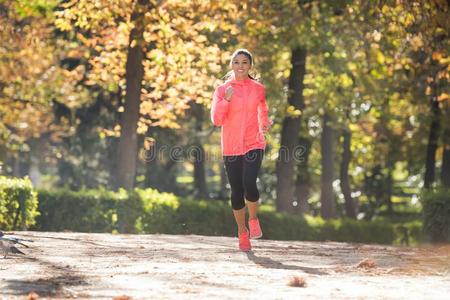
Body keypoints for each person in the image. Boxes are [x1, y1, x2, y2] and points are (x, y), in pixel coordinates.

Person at [210, 48, 272, 252]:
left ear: (250, 65)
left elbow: (262, 108)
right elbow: (217, 120)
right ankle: (242, 231)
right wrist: (226, 100)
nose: (240, 66)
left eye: (244, 62)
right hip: (231, 146)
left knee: (249, 183)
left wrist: (265, 122)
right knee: (236, 190)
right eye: (236, 62)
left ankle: (253, 219)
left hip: (254, 142)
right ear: (231, 65)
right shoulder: (222, 90)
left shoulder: (258, 88)